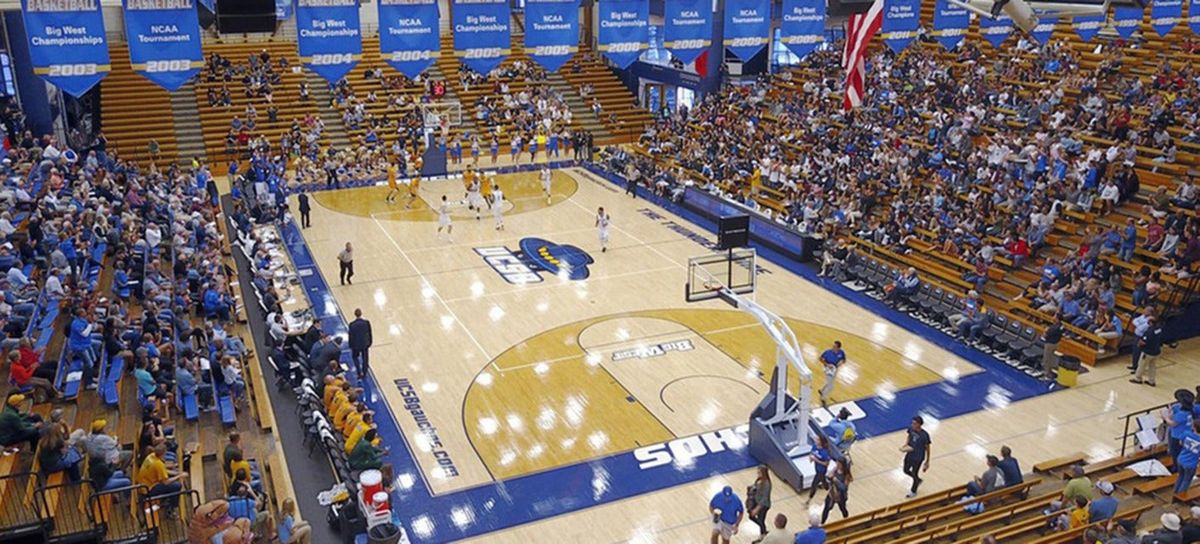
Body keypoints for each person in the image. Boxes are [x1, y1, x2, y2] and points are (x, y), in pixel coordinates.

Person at [900, 415, 931, 498]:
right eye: (912, 423)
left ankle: (913, 491)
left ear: (919, 424)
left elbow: (928, 448)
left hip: (918, 457)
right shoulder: (911, 429)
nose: (912, 424)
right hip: (909, 454)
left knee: (914, 473)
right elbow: (909, 436)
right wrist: (906, 444)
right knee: (905, 470)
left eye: (914, 423)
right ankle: (918, 480)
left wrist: (927, 461)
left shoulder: (924, 435)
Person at [1130, 315, 1164, 386]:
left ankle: (1138, 378)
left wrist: (1139, 343)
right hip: (1156, 352)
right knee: (1152, 367)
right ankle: (1151, 381)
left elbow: (1143, 342)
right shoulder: (1159, 329)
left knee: (1141, 365)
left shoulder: (1149, 331)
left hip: (1148, 352)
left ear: (1151, 323)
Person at [747, 466, 772, 542]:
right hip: (756, 501)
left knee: (761, 519)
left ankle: (762, 535)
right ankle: (763, 530)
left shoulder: (767, 484)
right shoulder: (759, 480)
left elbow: (764, 499)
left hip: (764, 505)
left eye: (759, 472)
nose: (757, 474)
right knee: (751, 516)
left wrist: (756, 509)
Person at [1174, 418, 1199, 497]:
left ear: (1194, 428)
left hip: (1181, 459)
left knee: (1180, 476)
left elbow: (1180, 442)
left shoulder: (1186, 433)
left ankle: (1175, 493)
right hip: (1191, 464)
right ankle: (1180, 497)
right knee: (1186, 480)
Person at [822, 459, 851, 523]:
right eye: (837, 463)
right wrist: (829, 477)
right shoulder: (835, 470)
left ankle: (846, 520)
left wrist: (836, 480)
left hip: (841, 496)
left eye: (839, 464)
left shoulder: (846, 475)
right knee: (826, 510)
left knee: (843, 509)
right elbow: (828, 479)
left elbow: (844, 488)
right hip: (832, 494)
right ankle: (822, 523)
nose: (837, 465)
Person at [348, 308, 373, 380]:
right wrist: (370, 342)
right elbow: (369, 333)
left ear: (355, 314)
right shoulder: (366, 322)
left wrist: (350, 345)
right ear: (361, 313)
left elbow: (351, 336)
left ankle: (359, 372)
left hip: (355, 344)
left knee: (355, 357)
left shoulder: (352, 325)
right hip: (365, 344)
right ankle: (364, 373)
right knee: (365, 359)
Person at [818, 341, 845, 406]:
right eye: (833, 346)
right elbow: (820, 358)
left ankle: (822, 390)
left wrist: (840, 363)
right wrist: (827, 364)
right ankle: (823, 398)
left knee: (829, 382)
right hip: (828, 369)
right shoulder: (827, 352)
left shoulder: (841, 353)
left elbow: (843, 359)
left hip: (834, 369)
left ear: (838, 348)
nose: (833, 347)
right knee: (830, 385)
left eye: (834, 346)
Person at [808, 435, 831, 501]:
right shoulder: (814, 446)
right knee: (823, 480)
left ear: (821, 442)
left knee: (814, 484)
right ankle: (829, 487)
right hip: (817, 468)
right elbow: (811, 453)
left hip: (822, 470)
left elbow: (826, 464)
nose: (816, 440)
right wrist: (810, 458)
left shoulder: (825, 452)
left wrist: (816, 460)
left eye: (817, 439)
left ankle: (808, 500)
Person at [1042, 316, 1063, 381]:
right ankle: (1049, 371)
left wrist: (1045, 330)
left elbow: (1045, 335)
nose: (1053, 317)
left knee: (1047, 359)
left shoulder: (1053, 328)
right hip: (1056, 343)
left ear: (1057, 319)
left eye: (1055, 317)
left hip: (1050, 344)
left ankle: (1047, 374)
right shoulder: (1061, 326)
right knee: (1051, 357)